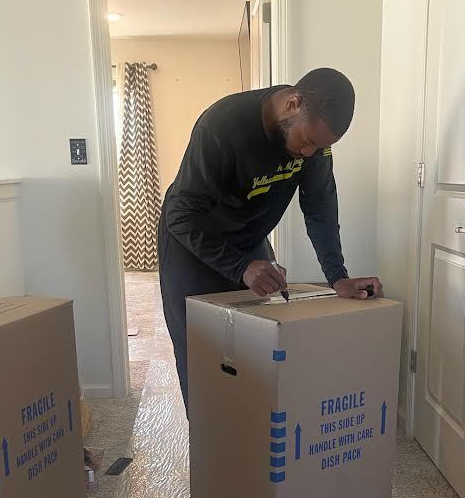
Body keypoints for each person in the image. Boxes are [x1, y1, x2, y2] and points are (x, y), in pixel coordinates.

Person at [158, 67, 383, 413]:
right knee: (201, 360)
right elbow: (180, 215)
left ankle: (252, 447)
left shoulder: (315, 143)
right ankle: (213, 456)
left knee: (259, 354)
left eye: (320, 148)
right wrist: (240, 267)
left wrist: (337, 276)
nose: (309, 154)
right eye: (306, 142)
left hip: (249, 240)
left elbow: (320, 207)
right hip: (192, 241)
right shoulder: (222, 126)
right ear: (292, 104)